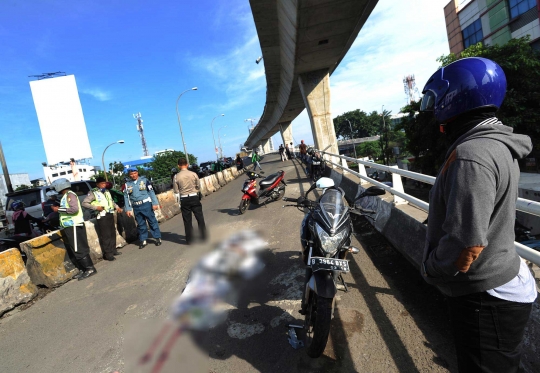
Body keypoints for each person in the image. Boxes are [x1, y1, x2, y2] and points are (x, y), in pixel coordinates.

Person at [420, 57, 537, 372]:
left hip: (485, 295)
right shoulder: (496, 144)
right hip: (500, 279)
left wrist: (432, 268)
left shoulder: (471, 155)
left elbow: (467, 243)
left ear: (453, 98)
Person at [51, 178, 96, 281]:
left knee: (78, 247)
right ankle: (83, 269)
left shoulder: (70, 195)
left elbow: (74, 209)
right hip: (70, 226)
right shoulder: (65, 196)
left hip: (74, 225)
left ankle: (90, 268)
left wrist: (58, 209)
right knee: (75, 247)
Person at [82, 177, 123, 261]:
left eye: (104, 183)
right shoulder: (93, 192)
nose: (104, 185)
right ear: (97, 184)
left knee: (112, 233)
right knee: (106, 235)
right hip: (102, 215)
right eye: (102, 183)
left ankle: (113, 250)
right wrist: (96, 207)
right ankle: (108, 254)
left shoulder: (107, 191)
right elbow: (84, 203)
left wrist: (117, 207)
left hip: (109, 213)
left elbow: (111, 201)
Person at [123, 168, 162, 249]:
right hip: (136, 206)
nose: (133, 175)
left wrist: (154, 203)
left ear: (137, 173)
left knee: (152, 221)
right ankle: (143, 239)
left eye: (134, 173)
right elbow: (126, 197)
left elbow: (151, 192)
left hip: (146, 204)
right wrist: (128, 209)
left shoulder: (145, 181)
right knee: (140, 224)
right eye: (131, 174)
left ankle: (157, 237)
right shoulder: (127, 184)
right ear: (129, 175)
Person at [173, 158, 207, 245]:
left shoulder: (176, 176)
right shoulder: (193, 174)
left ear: (178, 166)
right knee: (200, 217)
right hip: (194, 197)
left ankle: (190, 240)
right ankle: (203, 236)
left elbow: (176, 191)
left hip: (184, 199)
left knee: (187, 221)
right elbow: (198, 186)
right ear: (187, 164)